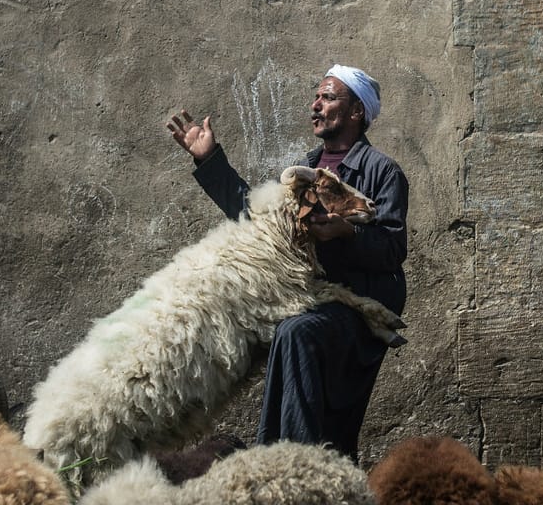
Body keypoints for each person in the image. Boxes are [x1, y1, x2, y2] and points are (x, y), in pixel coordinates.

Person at [166, 64, 408, 462]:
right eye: (317, 97)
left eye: (328, 98)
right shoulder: (304, 170)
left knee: (296, 333)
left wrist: (346, 233)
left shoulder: (382, 172)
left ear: (355, 113)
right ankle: (282, 461)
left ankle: (290, 467)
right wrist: (210, 160)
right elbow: (261, 220)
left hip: (361, 307)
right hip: (314, 302)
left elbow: (391, 249)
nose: (315, 105)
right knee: (286, 334)